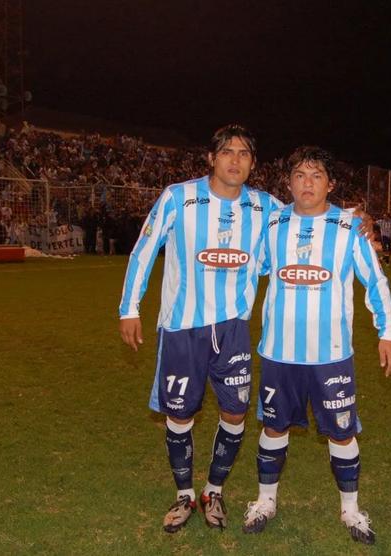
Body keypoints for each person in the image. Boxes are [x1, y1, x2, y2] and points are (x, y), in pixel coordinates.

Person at [118, 125, 283, 533]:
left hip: (232, 329)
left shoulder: (264, 206)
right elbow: (145, 248)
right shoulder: (179, 197)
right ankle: (184, 494)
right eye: (227, 151)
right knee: (180, 414)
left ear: (253, 163)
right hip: (182, 328)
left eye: (244, 153)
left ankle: (213, 490)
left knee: (235, 411)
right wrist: (129, 308)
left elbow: (310, 215)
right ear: (211, 158)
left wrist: (357, 217)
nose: (235, 159)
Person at [242, 146, 391, 545]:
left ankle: (350, 510)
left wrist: (388, 333)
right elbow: (249, 266)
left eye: (316, 176)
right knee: (274, 425)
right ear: (288, 183)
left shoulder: (349, 228)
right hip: (279, 353)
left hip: (331, 356)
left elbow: (375, 282)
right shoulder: (273, 224)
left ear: (330, 184)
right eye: (299, 175)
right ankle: (265, 501)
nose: (306, 183)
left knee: (342, 432)